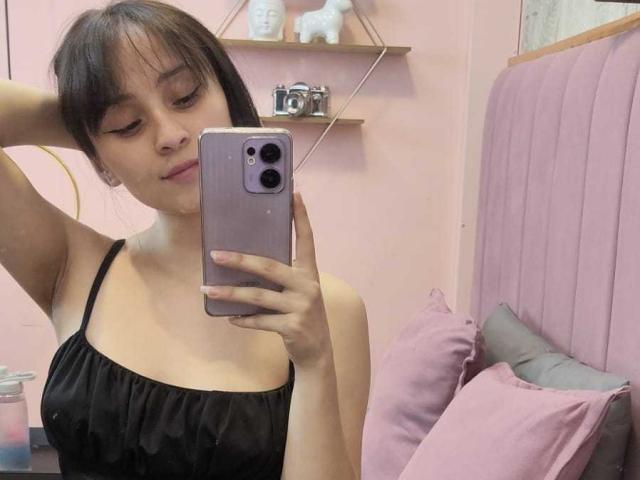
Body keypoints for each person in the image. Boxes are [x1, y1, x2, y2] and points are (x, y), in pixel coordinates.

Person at [0, 1, 370, 478]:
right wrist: (88, 124)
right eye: (127, 124)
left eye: (186, 97)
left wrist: (315, 361)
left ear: (228, 94)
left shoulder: (330, 310)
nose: (170, 135)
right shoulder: (73, 266)